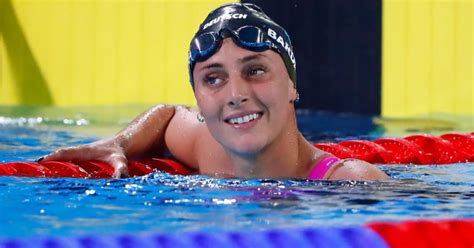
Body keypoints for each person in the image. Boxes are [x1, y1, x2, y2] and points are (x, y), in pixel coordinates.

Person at [41, 3, 388, 180]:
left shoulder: (349, 183)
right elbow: (171, 115)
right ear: (200, 100)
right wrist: (118, 143)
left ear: (292, 86)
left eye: (255, 70)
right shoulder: (208, 147)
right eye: (213, 79)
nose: (235, 94)